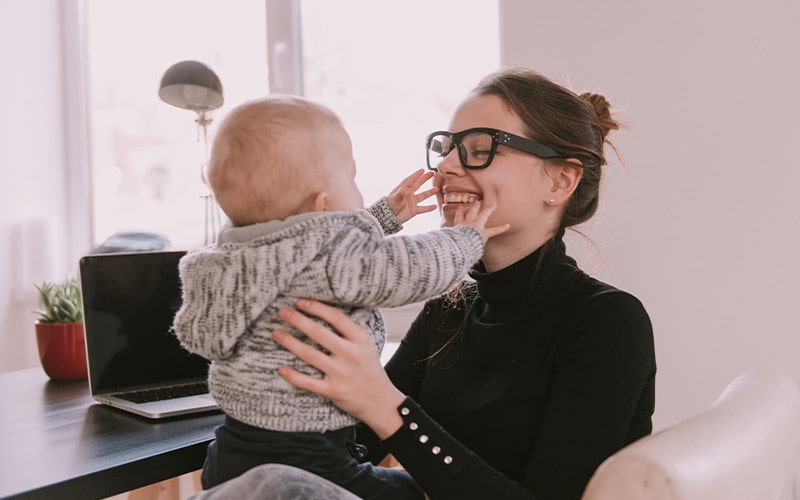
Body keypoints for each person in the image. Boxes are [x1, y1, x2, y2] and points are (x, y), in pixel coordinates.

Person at [239, 66, 656, 500]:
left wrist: (388, 407)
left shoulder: (607, 322)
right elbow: (352, 450)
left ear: (560, 180)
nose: (447, 166)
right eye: (448, 148)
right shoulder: (452, 305)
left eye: (480, 149)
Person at [173, 94, 509, 500]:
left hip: (230, 452)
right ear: (322, 205)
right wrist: (464, 239)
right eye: (351, 179)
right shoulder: (330, 263)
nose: (357, 190)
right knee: (410, 494)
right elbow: (404, 269)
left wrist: (385, 215)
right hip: (308, 457)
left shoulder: (223, 266)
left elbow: (310, 245)